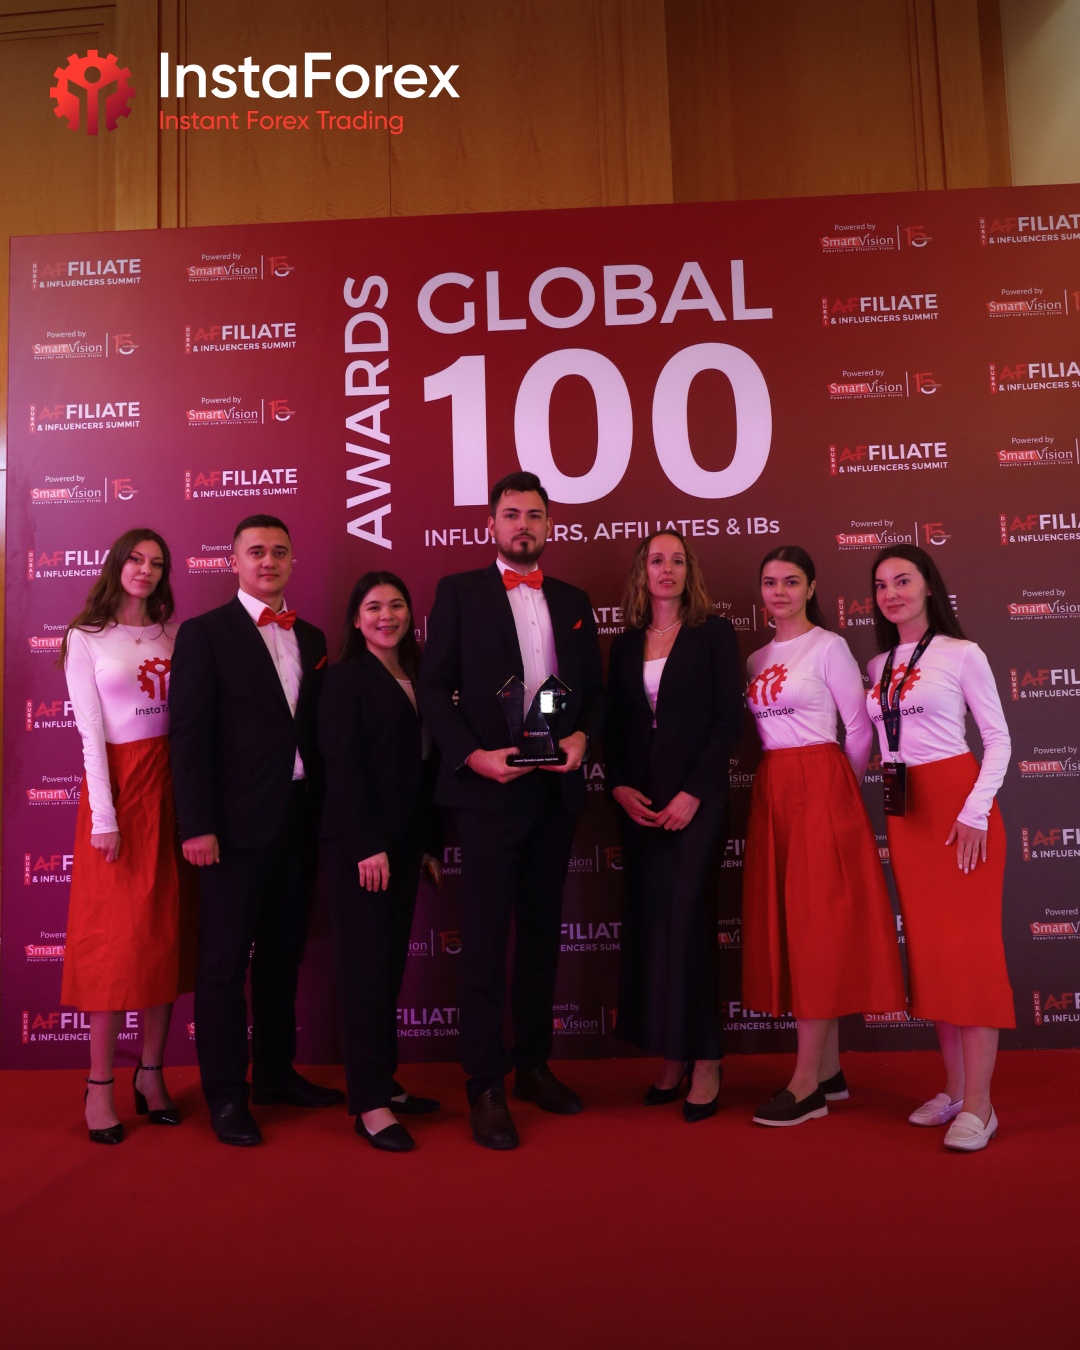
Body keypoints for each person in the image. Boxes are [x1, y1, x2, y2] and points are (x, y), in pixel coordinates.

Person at [417, 471, 605, 1149]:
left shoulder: (574, 599)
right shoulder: (459, 592)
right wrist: (473, 757)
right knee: (485, 941)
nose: (523, 525)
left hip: (553, 791)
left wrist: (582, 739)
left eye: (534, 515)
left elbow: (594, 694)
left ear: (550, 525)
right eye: (511, 514)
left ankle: (533, 1066)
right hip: (487, 793)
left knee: (542, 938)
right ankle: (485, 1084)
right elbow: (434, 688)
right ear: (491, 525)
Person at [168, 514, 344, 1147]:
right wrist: (197, 825)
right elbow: (188, 737)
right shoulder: (204, 633)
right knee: (222, 966)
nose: (268, 561)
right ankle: (225, 1095)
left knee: (282, 955)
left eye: (279, 551)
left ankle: (274, 1074)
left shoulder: (312, 635)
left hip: (298, 820)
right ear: (234, 562)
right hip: (231, 830)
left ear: (292, 560)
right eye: (256, 552)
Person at [742, 546, 906, 1127]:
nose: (780, 592)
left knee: (817, 927)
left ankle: (806, 1085)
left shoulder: (829, 646)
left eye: (792, 582)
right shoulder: (756, 657)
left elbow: (859, 728)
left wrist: (838, 788)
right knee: (795, 926)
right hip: (773, 787)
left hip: (822, 784)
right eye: (770, 582)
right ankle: (830, 1069)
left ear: (811, 588)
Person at [868, 545, 1013, 1152]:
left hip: (960, 810)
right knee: (932, 955)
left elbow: (998, 738)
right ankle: (954, 1090)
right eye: (881, 585)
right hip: (908, 814)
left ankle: (981, 1105)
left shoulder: (962, 653)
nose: (892, 593)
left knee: (970, 955)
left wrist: (975, 811)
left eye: (903, 580)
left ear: (929, 586)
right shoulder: (877, 664)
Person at [60, 528, 197, 1144]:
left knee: (164, 936)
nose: (146, 570)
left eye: (157, 563)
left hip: (174, 789)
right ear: (117, 565)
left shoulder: (177, 634)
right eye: (136, 559)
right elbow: (90, 732)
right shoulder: (85, 637)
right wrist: (105, 816)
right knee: (115, 944)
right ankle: (99, 1085)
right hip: (119, 789)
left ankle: (151, 1072)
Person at [606, 531, 743, 1120]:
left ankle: (706, 1059)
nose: (667, 569)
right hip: (641, 806)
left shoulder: (714, 634)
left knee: (689, 924)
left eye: (677, 560)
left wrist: (694, 793)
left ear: (691, 572)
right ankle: (672, 1054)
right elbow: (614, 725)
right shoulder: (624, 644)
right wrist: (617, 785)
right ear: (643, 572)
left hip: (697, 803)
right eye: (656, 560)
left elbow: (728, 721)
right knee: (654, 928)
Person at [318, 572, 443, 1153]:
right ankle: (369, 1105)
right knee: (365, 975)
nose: (386, 615)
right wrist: (366, 844)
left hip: (406, 845)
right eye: (373, 607)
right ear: (356, 618)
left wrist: (428, 845)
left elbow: (425, 770)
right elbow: (341, 767)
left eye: (396, 604)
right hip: (362, 850)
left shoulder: (420, 676)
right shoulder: (344, 680)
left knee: (387, 972)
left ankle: (384, 1083)